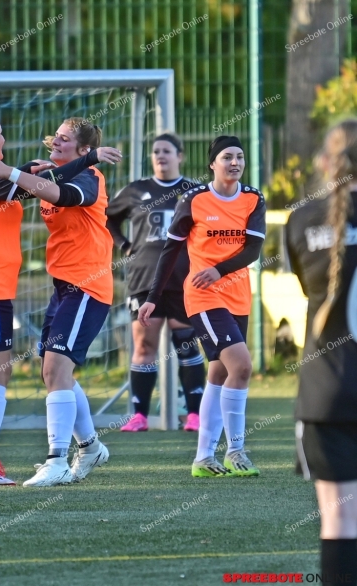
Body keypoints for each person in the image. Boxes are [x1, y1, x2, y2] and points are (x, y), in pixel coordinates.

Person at [0, 108, 122, 485]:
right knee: (0, 372)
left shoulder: (85, 178)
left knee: (23, 371)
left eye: (65, 137)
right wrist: (32, 170)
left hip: (72, 285)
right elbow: (36, 187)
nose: (4, 136)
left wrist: (28, 170)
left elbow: (55, 190)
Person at [0, 117, 117, 487]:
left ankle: (56, 460)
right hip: (65, 285)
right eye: (56, 137)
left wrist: (9, 172)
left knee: (55, 371)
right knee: (53, 373)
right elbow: (9, 188)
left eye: (65, 139)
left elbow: (61, 195)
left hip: (89, 285)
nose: (55, 142)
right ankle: (90, 446)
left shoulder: (89, 179)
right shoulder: (55, 171)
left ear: (84, 151)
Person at [138, 135, 266, 478]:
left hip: (238, 297)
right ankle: (236, 450)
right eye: (227, 157)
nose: (235, 162)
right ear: (213, 163)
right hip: (203, 298)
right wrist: (152, 297)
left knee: (219, 374)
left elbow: (252, 251)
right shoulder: (194, 200)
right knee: (241, 366)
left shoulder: (253, 199)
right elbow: (170, 250)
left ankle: (203, 458)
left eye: (240, 156)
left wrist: (220, 270)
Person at [287, 119, 357, 583]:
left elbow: (305, 282)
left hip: (326, 393)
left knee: (339, 521)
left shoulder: (301, 219)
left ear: (324, 163)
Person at [106, 134, 206, 432]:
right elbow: (106, 217)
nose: (160, 156)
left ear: (180, 156)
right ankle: (139, 415)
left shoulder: (194, 192)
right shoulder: (136, 190)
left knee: (186, 342)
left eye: (166, 151)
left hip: (183, 280)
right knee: (144, 344)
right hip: (143, 280)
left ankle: (194, 415)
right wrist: (124, 245)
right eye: (155, 152)